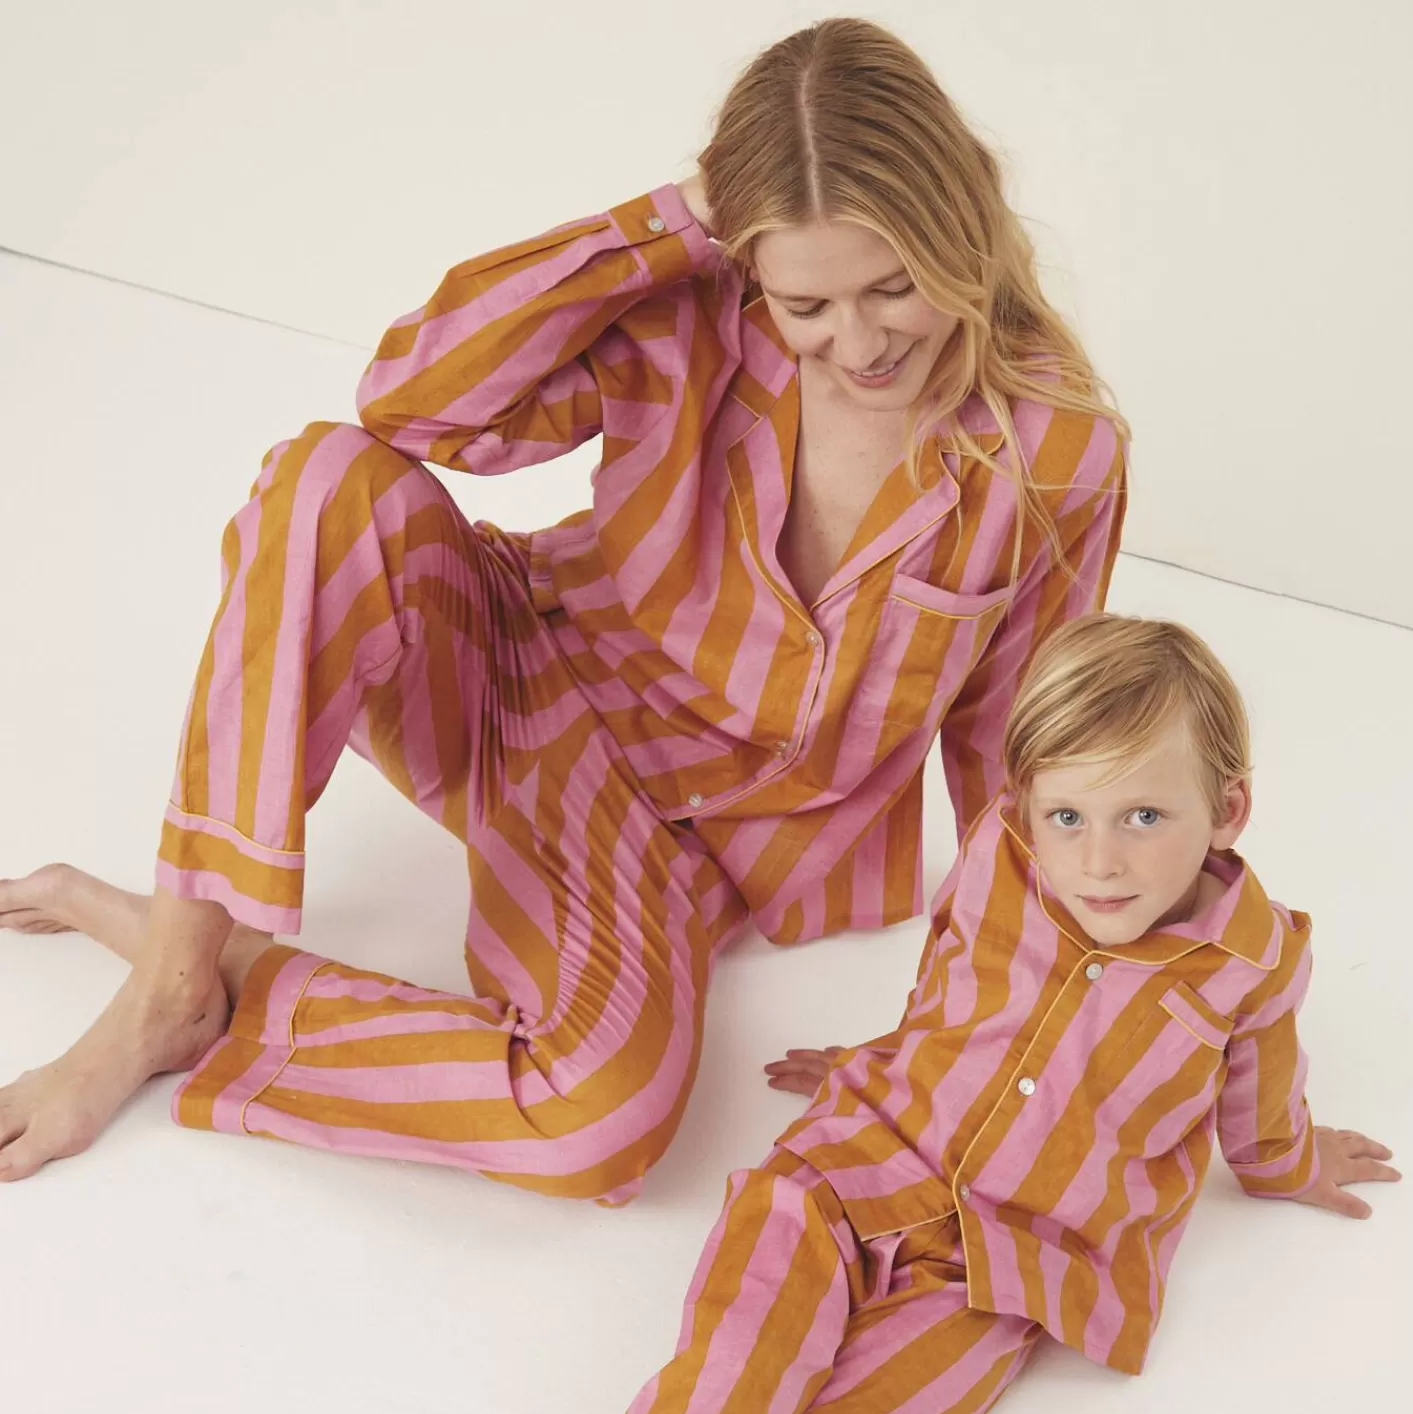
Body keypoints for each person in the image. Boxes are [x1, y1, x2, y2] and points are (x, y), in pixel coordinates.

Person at [0, 18, 1126, 1199]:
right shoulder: (693, 313)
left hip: (667, 843)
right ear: (750, 263)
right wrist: (677, 220)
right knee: (324, 480)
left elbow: (1018, 754)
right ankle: (173, 983)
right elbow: (411, 404)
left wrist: (983, 1033)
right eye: (807, 304)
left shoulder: (1058, 454)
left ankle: (189, 967)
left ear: (962, 227)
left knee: (598, 1120)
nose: (860, 343)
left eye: (895, 286)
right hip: (508, 670)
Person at [358, 612, 1398, 1414]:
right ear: (1022, 802)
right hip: (852, 1165)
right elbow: (949, 995)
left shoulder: (1252, 965)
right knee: (711, 1410)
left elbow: (1258, 1119)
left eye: (1145, 816)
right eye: (1067, 815)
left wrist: (1295, 1164)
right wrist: (878, 1060)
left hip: (1011, 1270)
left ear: (1227, 810)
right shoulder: (997, 860)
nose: (1100, 858)